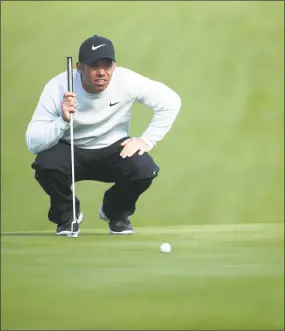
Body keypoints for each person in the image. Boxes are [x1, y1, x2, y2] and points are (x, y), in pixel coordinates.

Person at [25, 34, 181, 237]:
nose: (101, 73)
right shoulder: (58, 86)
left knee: (144, 169)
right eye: (94, 66)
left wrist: (146, 140)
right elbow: (33, 143)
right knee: (46, 164)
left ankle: (114, 212)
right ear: (80, 67)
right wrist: (62, 121)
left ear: (114, 66)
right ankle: (67, 215)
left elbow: (171, 100)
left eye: (107, 66)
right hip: (71, 149)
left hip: (112, 149)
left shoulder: (127, 81)